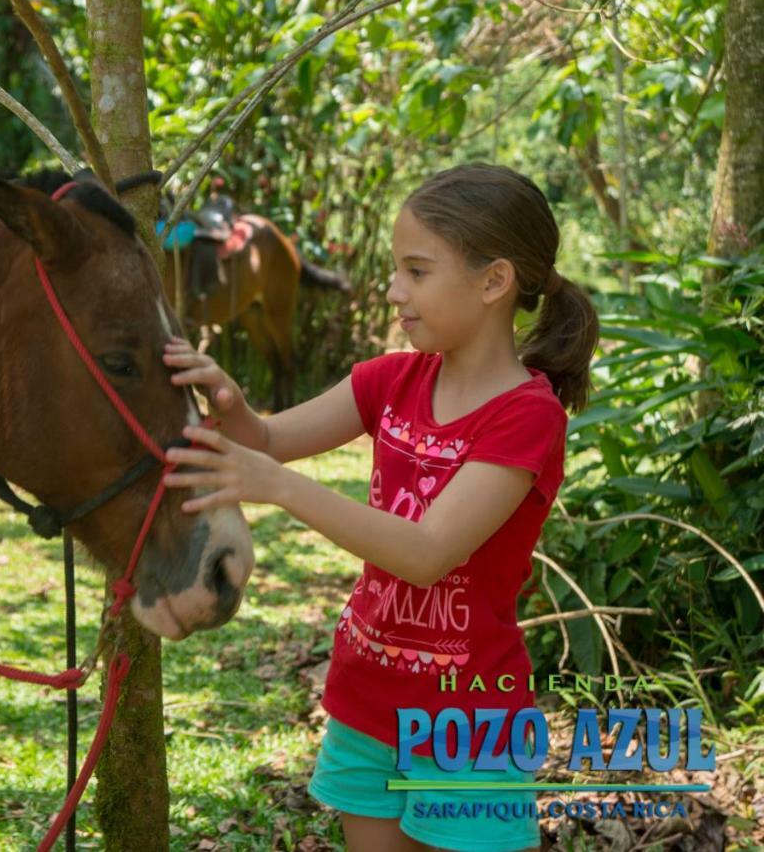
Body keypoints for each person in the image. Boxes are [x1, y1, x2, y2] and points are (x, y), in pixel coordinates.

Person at [162, 163, 599, 852]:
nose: (395, 291)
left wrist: (277, 486)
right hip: (364, 704)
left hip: (468, 721)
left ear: (495, 281)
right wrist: (230, 404)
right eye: (397, 271)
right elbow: (270, 439)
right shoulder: (389, 379)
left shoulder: (527, 415)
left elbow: (427, 553)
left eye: (417, 272)